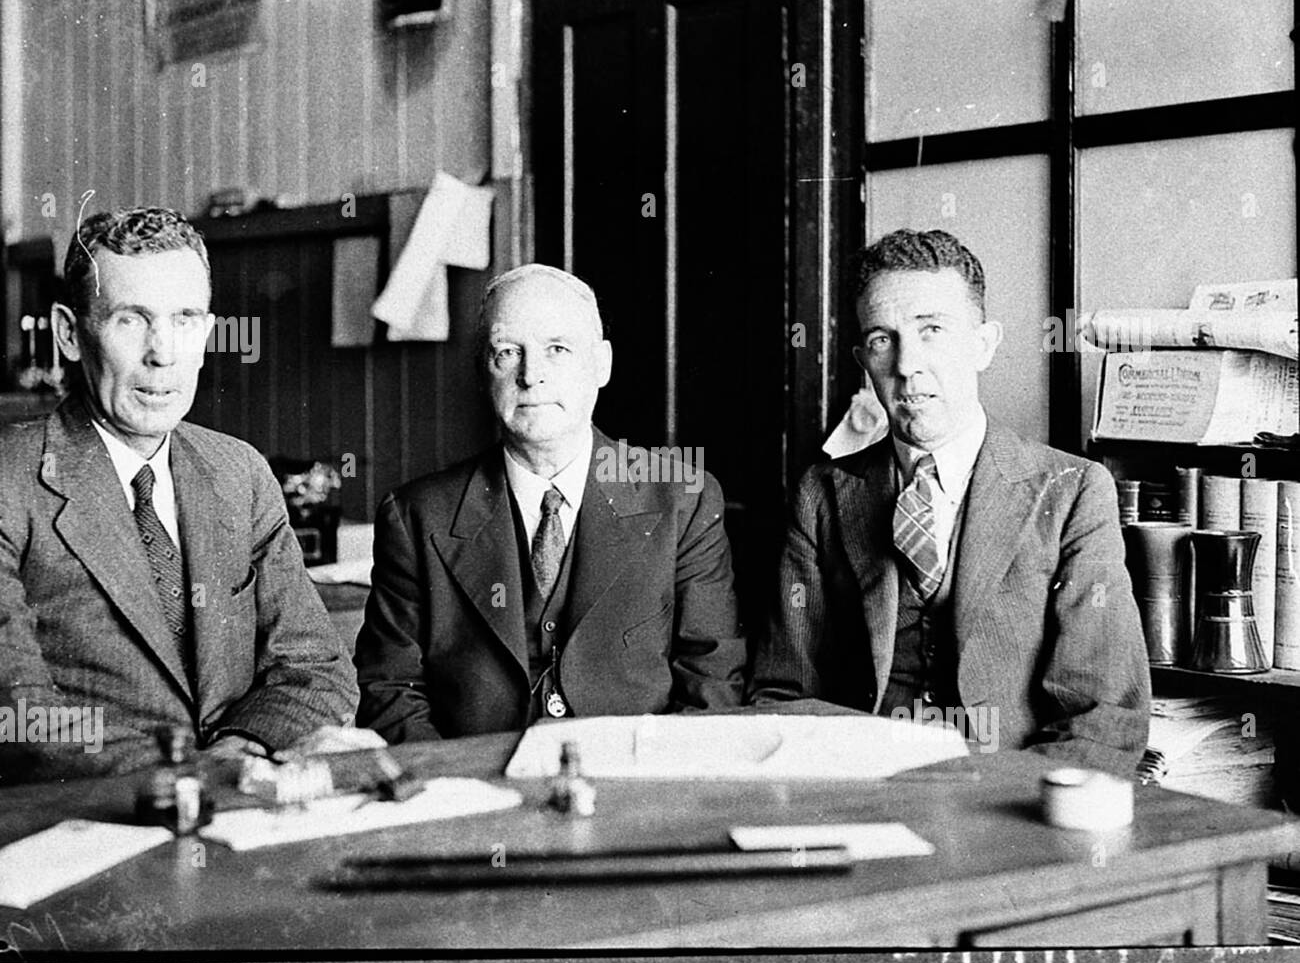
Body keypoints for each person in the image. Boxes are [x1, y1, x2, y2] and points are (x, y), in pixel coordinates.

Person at [750, 229, 1150, 775]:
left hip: (1008, 812)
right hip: (863, 799)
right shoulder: (820, 494)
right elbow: (783, 695)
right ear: (861, 359)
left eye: (931, 331)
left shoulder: (1073, 489)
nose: (908, 364)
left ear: (983, 344)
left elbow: (1102, 719)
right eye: (882, 339)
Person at [0, 207, 359, 783]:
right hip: (85, 825)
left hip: (242, 803)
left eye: (185, 319)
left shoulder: (239, 472)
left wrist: (242, 747)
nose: (163, 353)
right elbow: (19, 717)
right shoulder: (9, 480)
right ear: (70, 333)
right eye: (130, 320)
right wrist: (192, 774)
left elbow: (317, 668)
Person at [355, 264, 745, 740]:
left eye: (556, 350)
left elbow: (710, 682)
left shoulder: (683, 500)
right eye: (507, 352)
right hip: (473, 792)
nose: (531, 375)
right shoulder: (416, 516)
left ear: (602, 365)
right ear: (484, 369)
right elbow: (391, 690)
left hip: (632, 792)